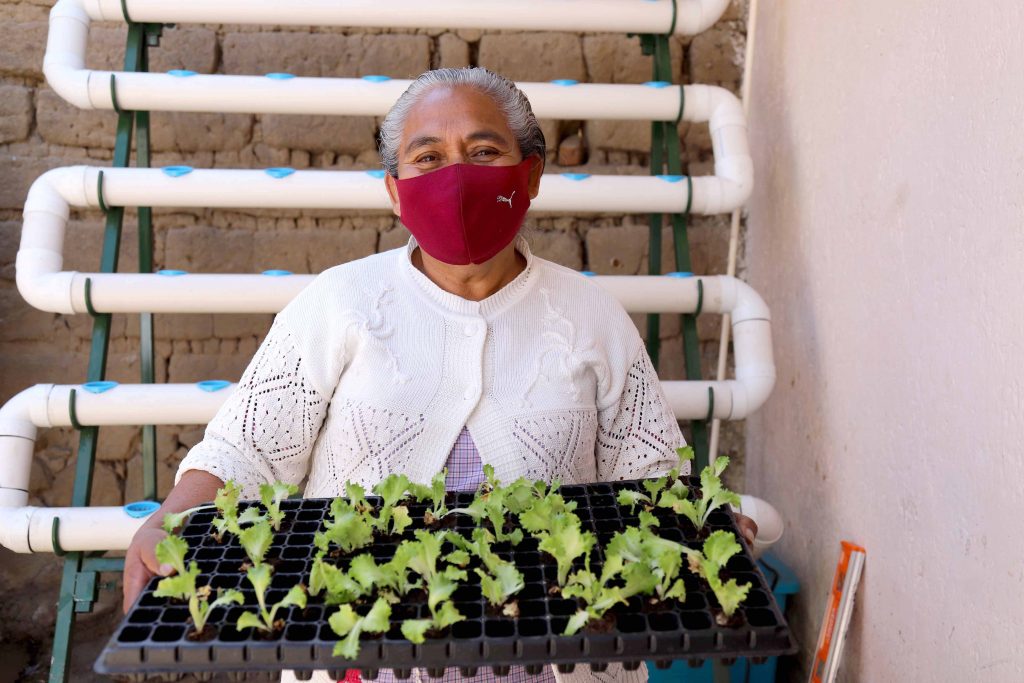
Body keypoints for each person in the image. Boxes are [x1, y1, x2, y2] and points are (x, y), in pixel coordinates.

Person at [123, 67, 756, 683]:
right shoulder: (340, 303)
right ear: (395, 190)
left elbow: (653, 483)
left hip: (564, 662)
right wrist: (173, 517)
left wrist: (708, 529)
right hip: (361, 660)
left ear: (529, 175)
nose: (455, 176)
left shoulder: (591, 317)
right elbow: (246, 452)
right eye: (427, 158)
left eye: (484, 151)